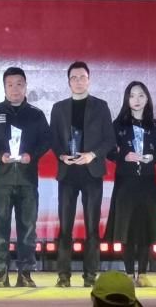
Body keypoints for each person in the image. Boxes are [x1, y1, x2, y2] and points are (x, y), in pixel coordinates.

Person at [0, 66, 51, 288]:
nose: (15, 89)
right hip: (0, 181)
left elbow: (46, 140)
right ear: (4, 87)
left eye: (19, 84)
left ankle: (25, 273)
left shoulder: (36, 114)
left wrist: (32, 155)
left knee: (28, 229)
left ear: (25, 86)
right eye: (10, 85)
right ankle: (1, 273)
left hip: (27, 181)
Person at [50, 61, 116, 288]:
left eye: (82, 77)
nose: (78, 81)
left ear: (89, 80)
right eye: (74, 78)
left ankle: (90, 276)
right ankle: (63, 275)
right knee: (65, 227)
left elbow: (110, 140)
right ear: (68, 82)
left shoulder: (101, 106)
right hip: (68, 174)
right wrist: (61, 155)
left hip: (92, 173)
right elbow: (53, 139)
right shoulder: (59, 108)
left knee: (92, 228)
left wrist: (92, 155)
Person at [103, 81, 156, 287]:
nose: (136, 100)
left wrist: (152, 157)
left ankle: (143, 273)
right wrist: (124, 155)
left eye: (141, 95)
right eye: (132, 96)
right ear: (126, 99)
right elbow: (109, 151)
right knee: (126, 228)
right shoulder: (118, 125)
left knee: (146, 227)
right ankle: (129, 272)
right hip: (125, 182)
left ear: (147, 98)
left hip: (147, 182)